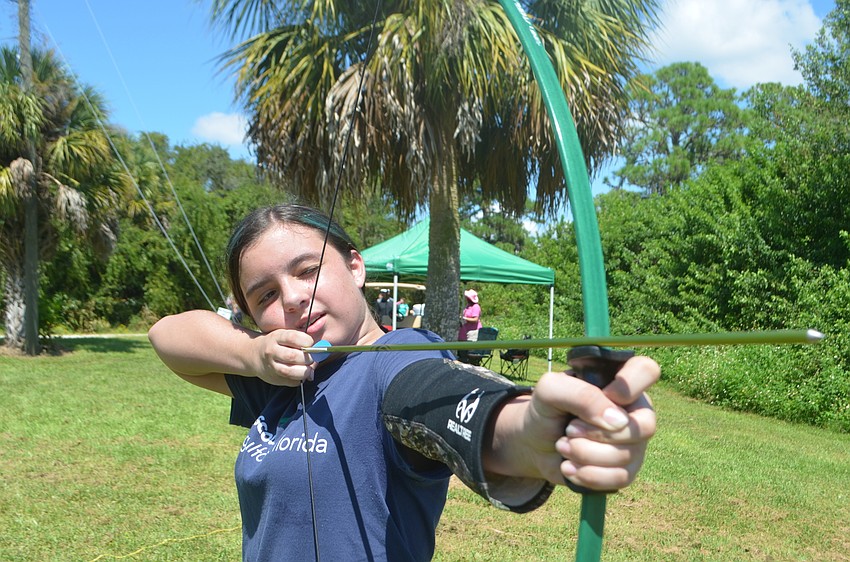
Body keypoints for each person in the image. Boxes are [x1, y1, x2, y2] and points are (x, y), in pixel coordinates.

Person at [148, 204, 659, 562]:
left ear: (355, 267)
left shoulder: (396, 358)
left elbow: (435, 398)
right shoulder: (280, 378)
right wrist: (252, 354)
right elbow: (167, 336)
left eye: (309, 270)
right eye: (264, 296)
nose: (293, 299)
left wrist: (529, 433)